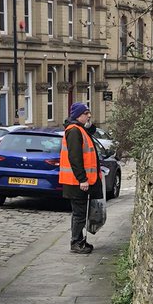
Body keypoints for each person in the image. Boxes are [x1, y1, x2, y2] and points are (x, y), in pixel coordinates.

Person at [59, 102, 103, 255]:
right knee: (79, 213)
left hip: (78, 181)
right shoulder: (74, 131)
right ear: (78, 115)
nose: (89, 115)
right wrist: (82, 179)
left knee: (80, 213)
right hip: (76, 182)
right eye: (86, 113)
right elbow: (75, 158)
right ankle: (76, 243)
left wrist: (90, 125)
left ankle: (79, 240)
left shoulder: (79, 129)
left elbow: (91, 132)